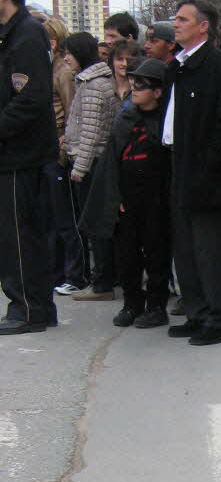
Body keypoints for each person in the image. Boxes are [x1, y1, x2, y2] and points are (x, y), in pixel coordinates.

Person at [164, 0, 221, 346]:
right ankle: (196, 312)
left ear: (203, 26)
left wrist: (209, 166)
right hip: (177, 165)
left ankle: (219, 318)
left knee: (208, 249)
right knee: (184, 247)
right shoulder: (177, 66)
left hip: (206, 173)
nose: (176, 23)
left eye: (183, 19)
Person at [82, 57, 171, 329]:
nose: (135, 88)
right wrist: (115, 197)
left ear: (157, 92)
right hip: (127, 199)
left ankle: (156, 305)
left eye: (142, 85)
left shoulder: (166, 121)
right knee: (127, 255)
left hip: (156, 199)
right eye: (134, 83)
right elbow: (111, 162)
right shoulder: (125, 119)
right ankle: (132, 303)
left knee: (157, 254)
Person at [0, 0, 58, 335]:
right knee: (19, 235)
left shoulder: (26, 35)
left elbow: (31, 98)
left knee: (19, 235)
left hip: (21, 154)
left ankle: (28, 308)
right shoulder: (10, 36)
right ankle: (33, 304)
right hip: (13, 153)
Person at [61, 30, 119, 301]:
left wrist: (79, 168)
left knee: (96, 225)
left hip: (93, 162)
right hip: (88, 159)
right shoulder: (89, 81)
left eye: (69, 53)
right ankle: (105, 278)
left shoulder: (95, 84)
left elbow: (92, 132)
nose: (65, 58)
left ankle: (102, 283)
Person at [44, 16, 87, 297]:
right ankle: (58, 271)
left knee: (68, 218)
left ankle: (76, 273)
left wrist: (65, 149)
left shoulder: (63, 73)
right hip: (47, 147)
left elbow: (72, 111)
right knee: (54, 218)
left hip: (61, 151)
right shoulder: (50, 69)